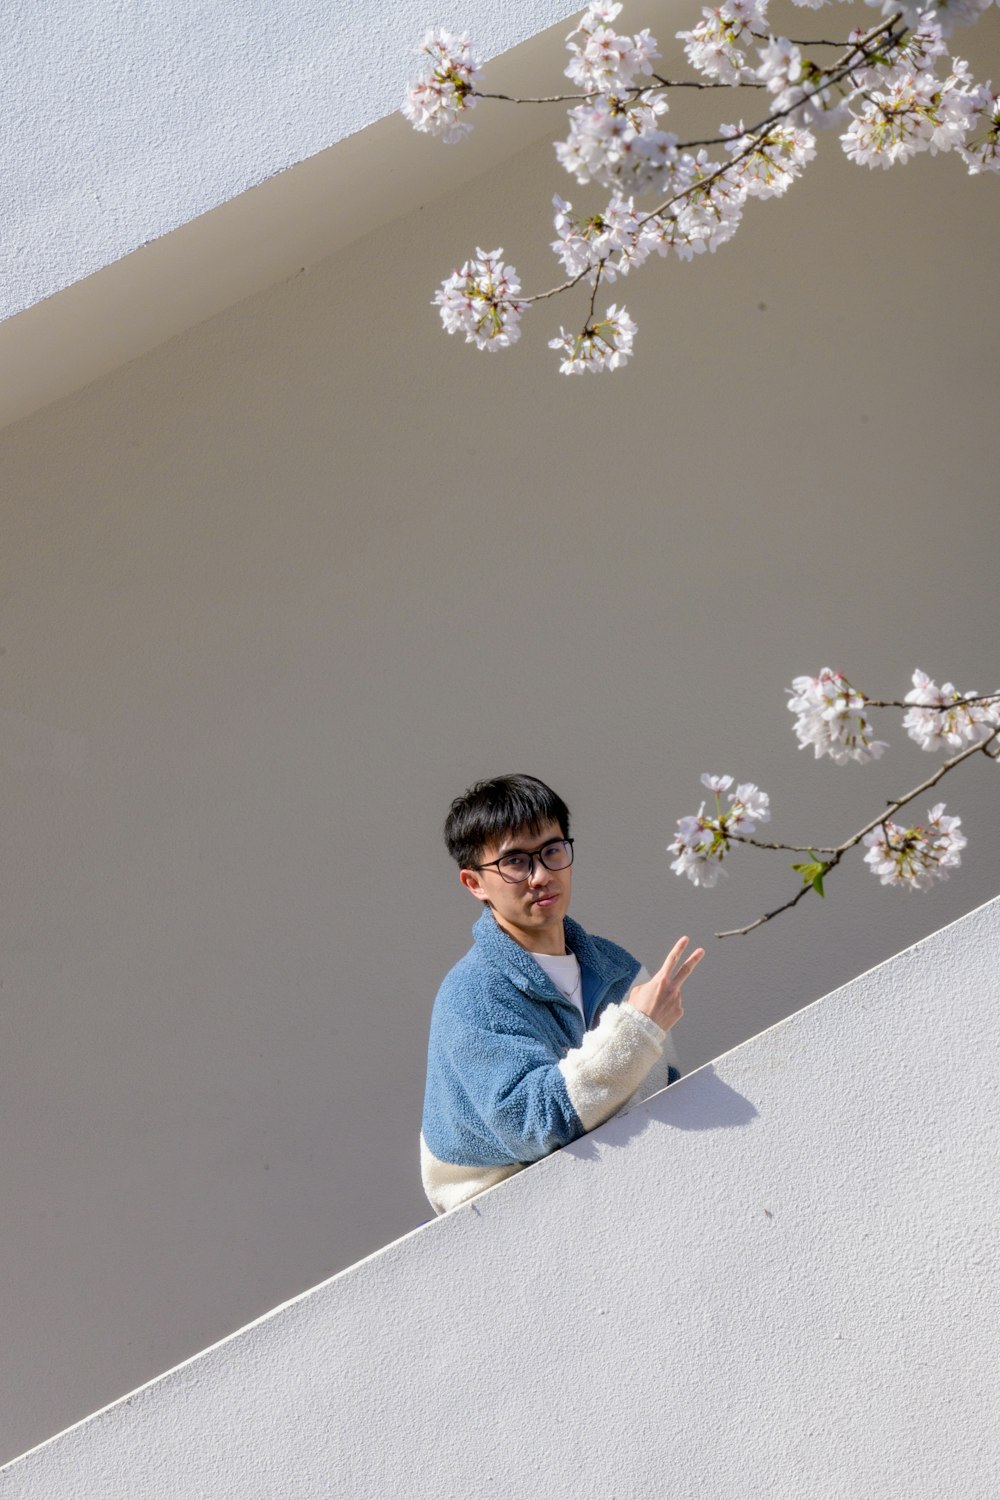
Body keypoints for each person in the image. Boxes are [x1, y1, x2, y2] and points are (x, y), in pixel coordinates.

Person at [420, 773, 704, 1214]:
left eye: (552, 851)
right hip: (510, 1225)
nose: (540, 876)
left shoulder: (618, 968)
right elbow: (532, 1121)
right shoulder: (471, 995)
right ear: (474, 883)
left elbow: (663, 1095)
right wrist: (635, 1029)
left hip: (636, 1199)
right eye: (515, 861)